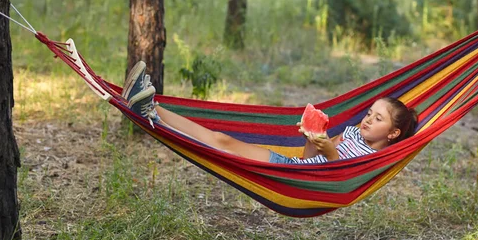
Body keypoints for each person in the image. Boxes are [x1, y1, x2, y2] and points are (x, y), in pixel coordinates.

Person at [123, 62, 418, 164]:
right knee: (220, 139)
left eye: (378, 119)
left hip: (298, 180)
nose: (367, 119)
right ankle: (153, 109)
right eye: (369, 112)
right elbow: (308, 160)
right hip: (289, 166)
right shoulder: (352, 132)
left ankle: (151, 109)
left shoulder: (375, 159)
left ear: (393, 134)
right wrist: (310, 137)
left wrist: (328, 149)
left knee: (221, 143)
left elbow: (337, 172)